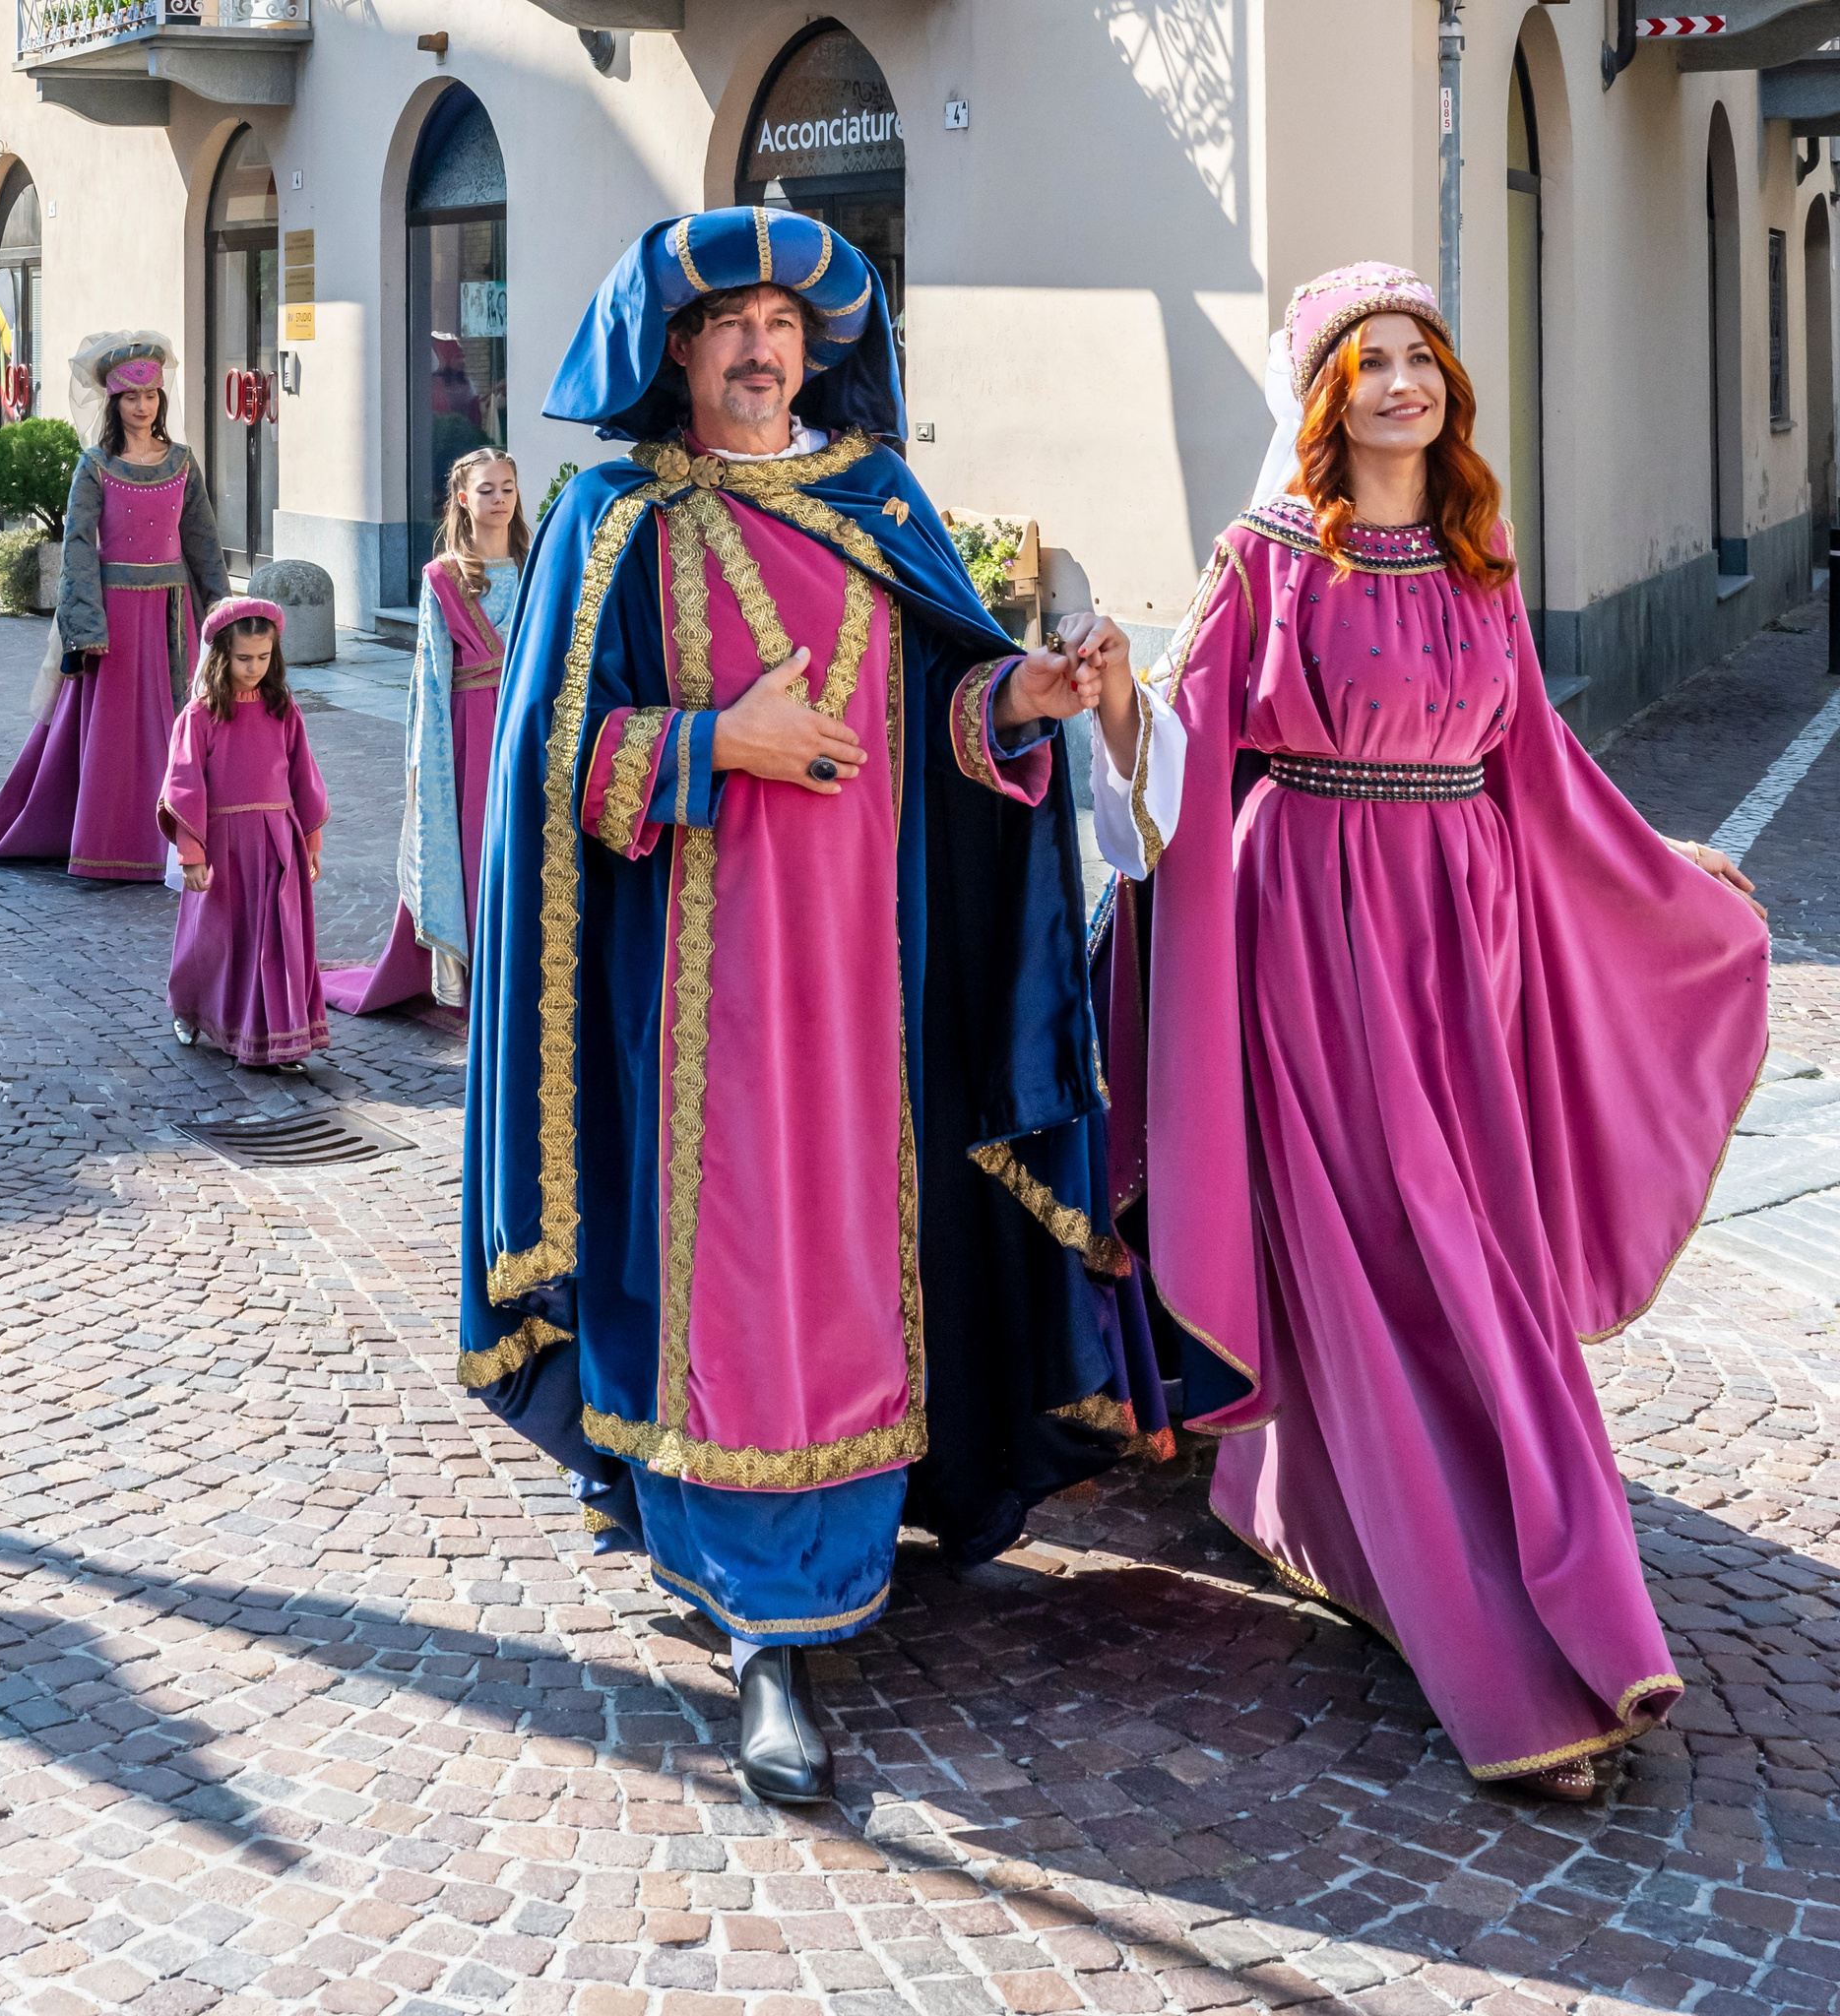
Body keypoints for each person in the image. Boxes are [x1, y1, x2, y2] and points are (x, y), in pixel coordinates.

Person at [463, 209, 1151, 1807]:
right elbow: (557, 765)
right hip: (692, 986)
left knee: (861, 1259)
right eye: (730, 325)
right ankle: (771, 1628)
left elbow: (940, 719)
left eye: (786, 323)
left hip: (874, 988)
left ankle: (846, 1552)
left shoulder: (880, 504)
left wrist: (1019, 700)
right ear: (679, 355)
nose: (764, 348)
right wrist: (718, 748)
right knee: (735, 1273)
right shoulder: (612, 522)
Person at [1085, 263, 1769, 1799]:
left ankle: (1303, 1501)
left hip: (1462, 943)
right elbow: (1183, 763)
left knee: (1475, 1257)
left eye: (1421, 359)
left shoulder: (1479, 554)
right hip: (1309, 934)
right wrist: (1118, 702)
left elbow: (1540, 763)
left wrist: (1663, 873)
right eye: (1368, 362)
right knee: (1397, 1255)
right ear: (1323, 398)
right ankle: (1507, 1654)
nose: (1403, 383)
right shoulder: (1266, 555)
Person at [0, 332, 227, 881]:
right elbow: (77, 545)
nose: (143, 407)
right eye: (131, 398)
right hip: (115, 620)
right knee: (117, 735)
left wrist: (222, 615)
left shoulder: (183, 465)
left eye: (151, 396)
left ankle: (176, 843)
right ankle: (115, 842)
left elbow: (204, 545)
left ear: (162, 398)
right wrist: (85, 624)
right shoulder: (94, 467)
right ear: (114, 402)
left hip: (173, 618)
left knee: (176, 726)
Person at [326, 448, 528, 1018]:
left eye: (507, 487)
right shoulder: (443, 578)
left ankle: (528, 968)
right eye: (486, 490)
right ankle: (476, 978)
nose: (499, 500)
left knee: (525, 847)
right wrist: (428, 761)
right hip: (469, 734)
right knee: (473, 845)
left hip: (527, 724)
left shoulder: (539, 566)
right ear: (463, 499)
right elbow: (431, 677)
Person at [159, 598, 331, 1066]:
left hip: (279, 845)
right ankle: (191, 1006)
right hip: (223, 847)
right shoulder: (199, 716)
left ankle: (280, 1033)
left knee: (278, 940)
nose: (254, 667)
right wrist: (191, 853)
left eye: (263, 657)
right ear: (221, 656)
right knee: (212, 939)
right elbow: (184, 783)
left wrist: (310, 842)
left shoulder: (283, 709)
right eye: (243, 658)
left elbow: (303, 777)